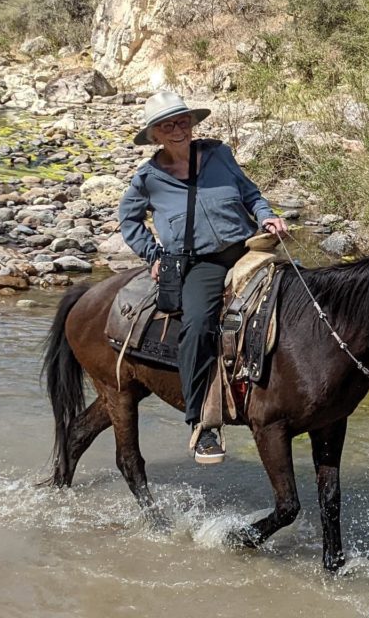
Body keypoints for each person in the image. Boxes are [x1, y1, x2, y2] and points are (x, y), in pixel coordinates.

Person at [118, 91, 287, 465]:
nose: (178, 129)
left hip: (247, 247)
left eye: (182, 121)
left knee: (301, 294)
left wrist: (267, 216)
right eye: (167, 125)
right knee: (197, 326)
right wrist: (152, 255)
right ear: (155, 134)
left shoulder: (218, 155)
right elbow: (128, 221)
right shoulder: (148, 178)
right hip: (201, 263)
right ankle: (201, 421)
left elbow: (250, 194)